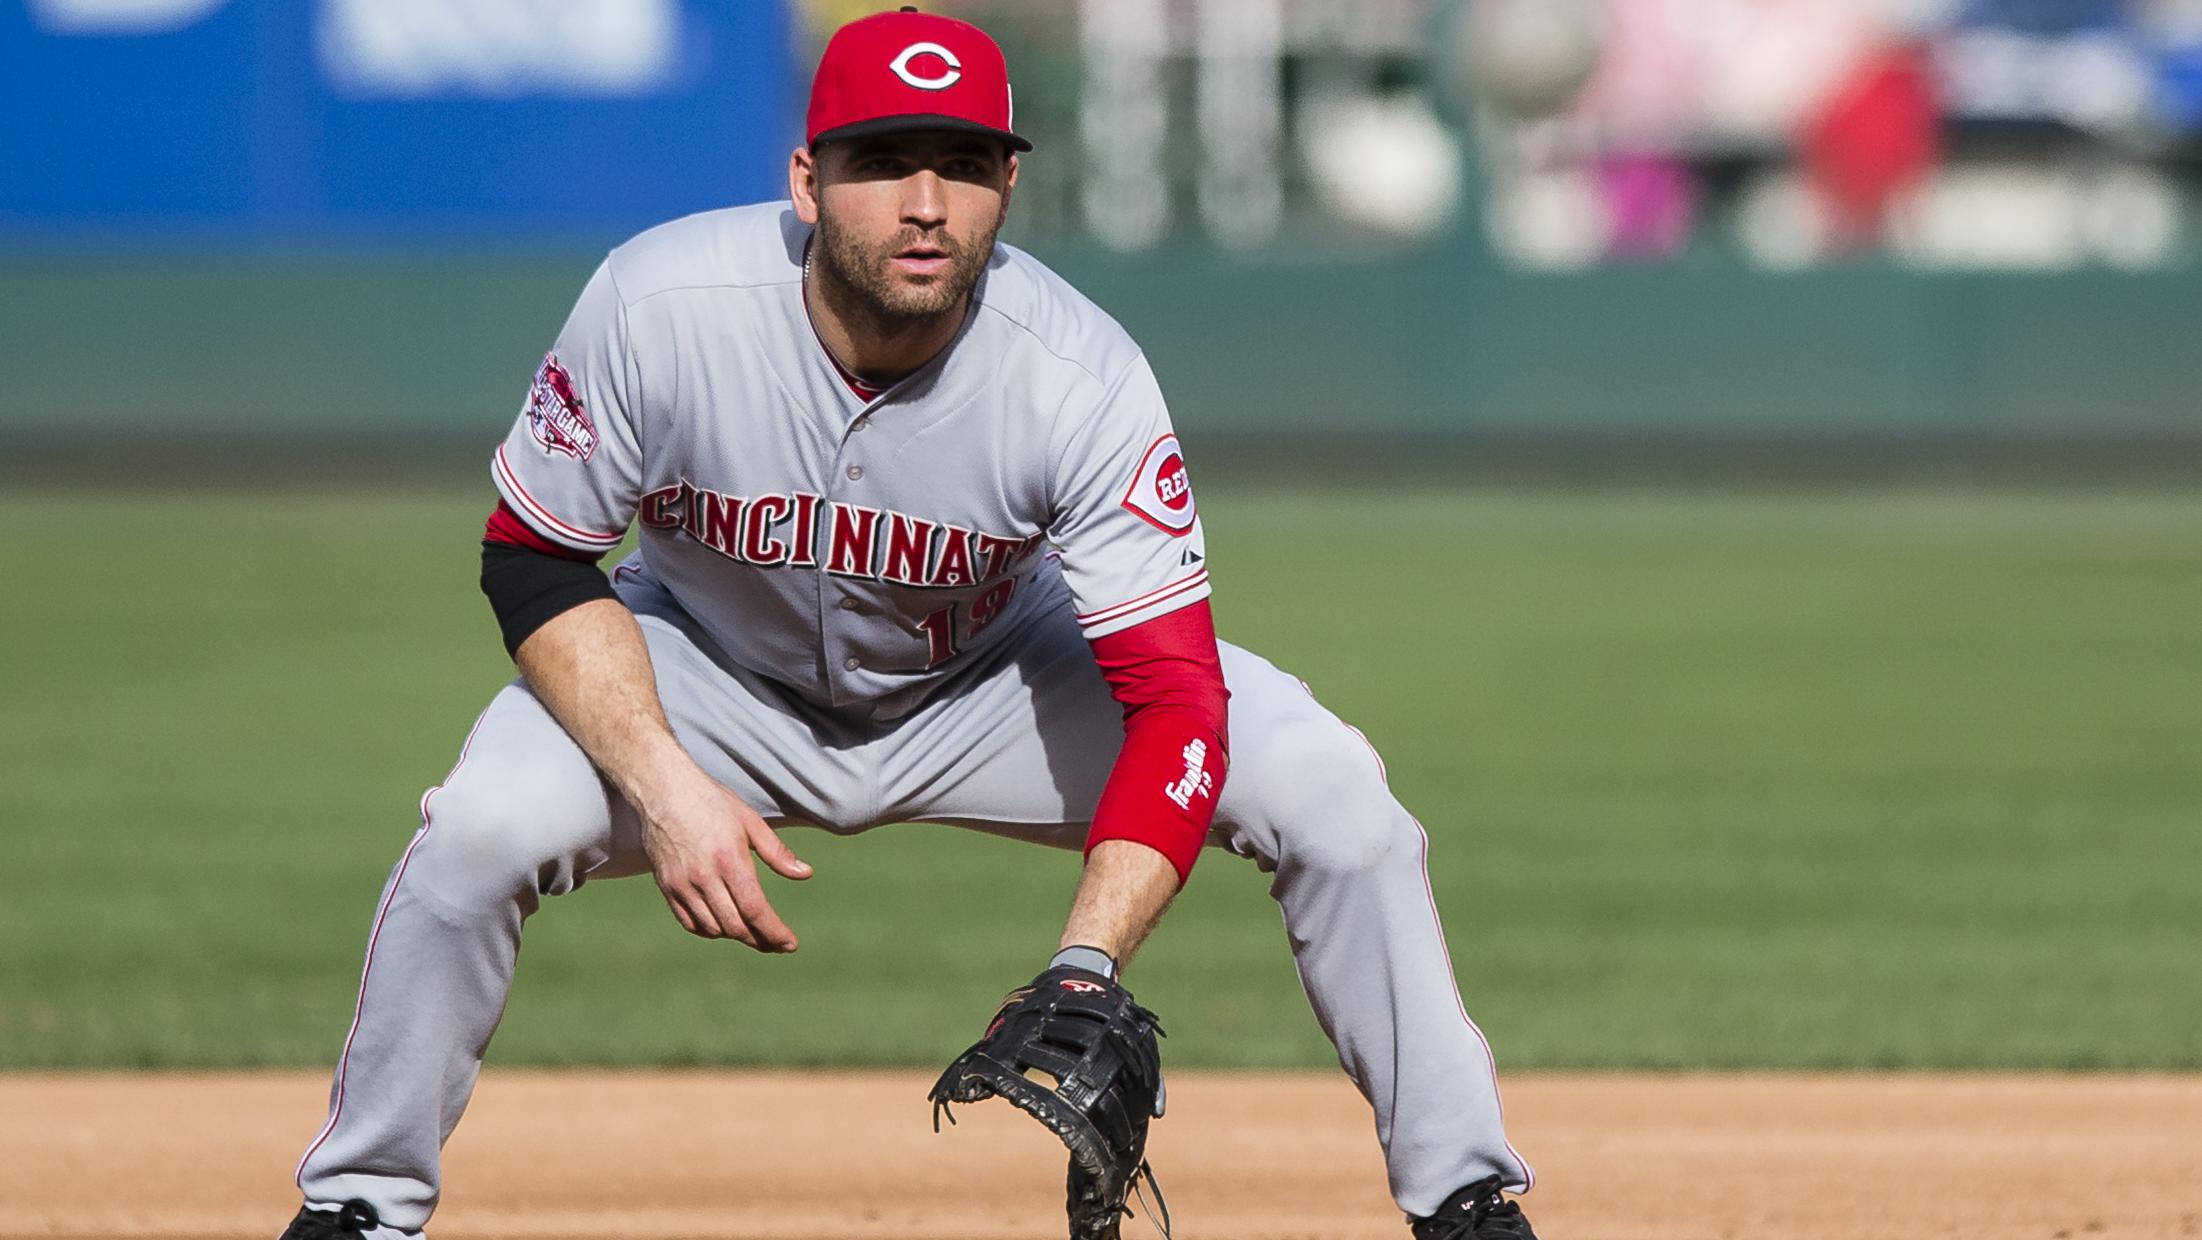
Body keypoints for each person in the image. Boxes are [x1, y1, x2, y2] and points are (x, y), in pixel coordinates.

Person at [278, 9, 1536, 1240]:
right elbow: (536, 559)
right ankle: (358, 1206)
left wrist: (1087, 964)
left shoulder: (1079, 374)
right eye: (881, 162)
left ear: (1009, 186)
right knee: (478, 832)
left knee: (1339, 802)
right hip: (705, 666)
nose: (925, 201)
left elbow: (1175, 700)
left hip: (991, 674)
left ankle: (1465, 1201)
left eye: (966, 165)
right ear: (807, 179)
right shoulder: (662, 304)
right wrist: (662, 784)